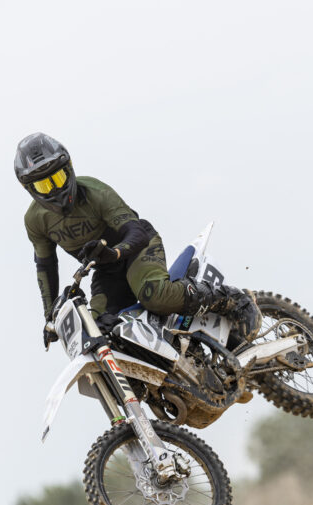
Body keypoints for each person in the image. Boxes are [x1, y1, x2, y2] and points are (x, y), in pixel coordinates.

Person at [14, 133, 261, 347]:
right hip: (107, 271)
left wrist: (115, 252)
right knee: (95, 330)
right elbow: (46, 266)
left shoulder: (95, 192)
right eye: (44, 185)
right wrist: (50, 317)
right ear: (30, 189)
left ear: (69, 169)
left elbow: (137, 232)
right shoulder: (35, 220)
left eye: (58, 178)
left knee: (154, 295)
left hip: (138, 250)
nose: (55, 189)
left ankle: (233, 300)